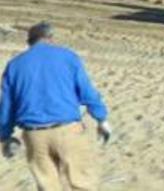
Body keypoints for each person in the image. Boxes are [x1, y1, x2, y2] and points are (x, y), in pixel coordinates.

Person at [1, 22, 112, 191]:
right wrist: (101, 119)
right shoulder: (68, 57)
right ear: (50, 38)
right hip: (67, 131)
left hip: (34, 135)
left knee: (47, 187)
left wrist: (5, 136)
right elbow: (87, 92)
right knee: (82, 184)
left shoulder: (15, 65)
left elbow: (7, 106)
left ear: (29, 42)